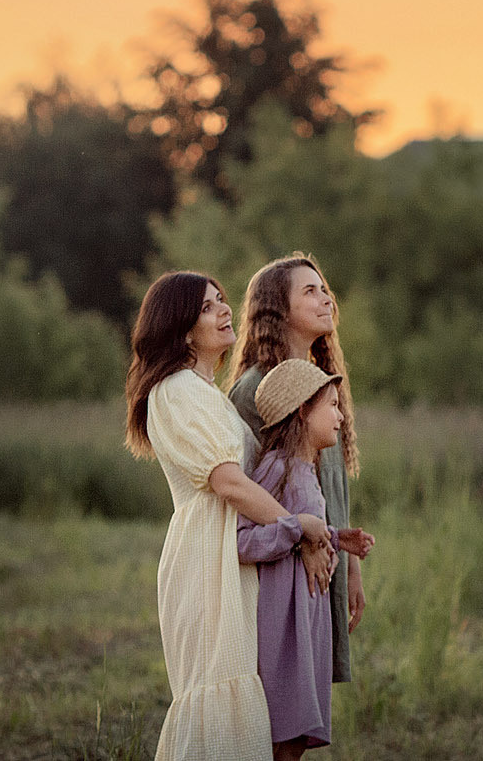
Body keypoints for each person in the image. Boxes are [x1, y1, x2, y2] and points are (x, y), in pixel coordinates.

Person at [123, 270, 338, 761]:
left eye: (223, 300)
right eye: (207, 306)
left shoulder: (207, 395)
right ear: (180, 329)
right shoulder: (175, 390)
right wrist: (298, 528)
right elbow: (228, 482)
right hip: (206, 558)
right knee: (219, 698)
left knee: (244, 707)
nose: (224, 310)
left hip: (232, 556)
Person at [228, 254, 365, 688]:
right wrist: (301, 536)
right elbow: (246, 491)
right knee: (279, 706)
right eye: (310, 291)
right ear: (278, 310)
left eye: (324, 289)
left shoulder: (323, 384)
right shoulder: (254, 391)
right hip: (282, 571)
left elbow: (331, 487)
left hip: (322, 559)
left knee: (304, 712)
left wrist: (349, 563)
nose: (327, 299)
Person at [237, 360, 375, 760]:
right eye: (332, 405)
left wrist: (338, 539)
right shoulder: (275, 469)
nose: (341, 415)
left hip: (308, 620)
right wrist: (300, 529)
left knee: (296, 740)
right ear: (302, 410)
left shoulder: (306, 470)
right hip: (284, 623)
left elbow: (305, 530)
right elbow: (244, 541)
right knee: (284, 735)